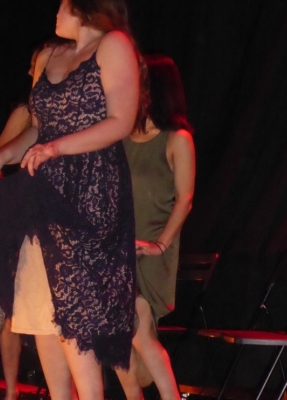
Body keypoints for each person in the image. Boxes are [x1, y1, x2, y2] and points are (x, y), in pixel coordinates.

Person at [0, 1, 144, 399]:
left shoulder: (112, 45)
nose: (55, 12)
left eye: (62, 4)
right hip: (43, 194)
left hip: (90, 191)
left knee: (76, 316)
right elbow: (38, 130)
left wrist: (57, 148)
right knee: (42, 312)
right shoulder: (48, 56)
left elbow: (120, 122)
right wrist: (0, 157)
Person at [114, 54, 196, 400]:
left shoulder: (177, 138)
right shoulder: (121, 135)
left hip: (151, 247)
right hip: (117, 246)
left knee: (139, 330)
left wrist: (160, 245)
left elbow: (185, 199)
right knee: (118, 336)